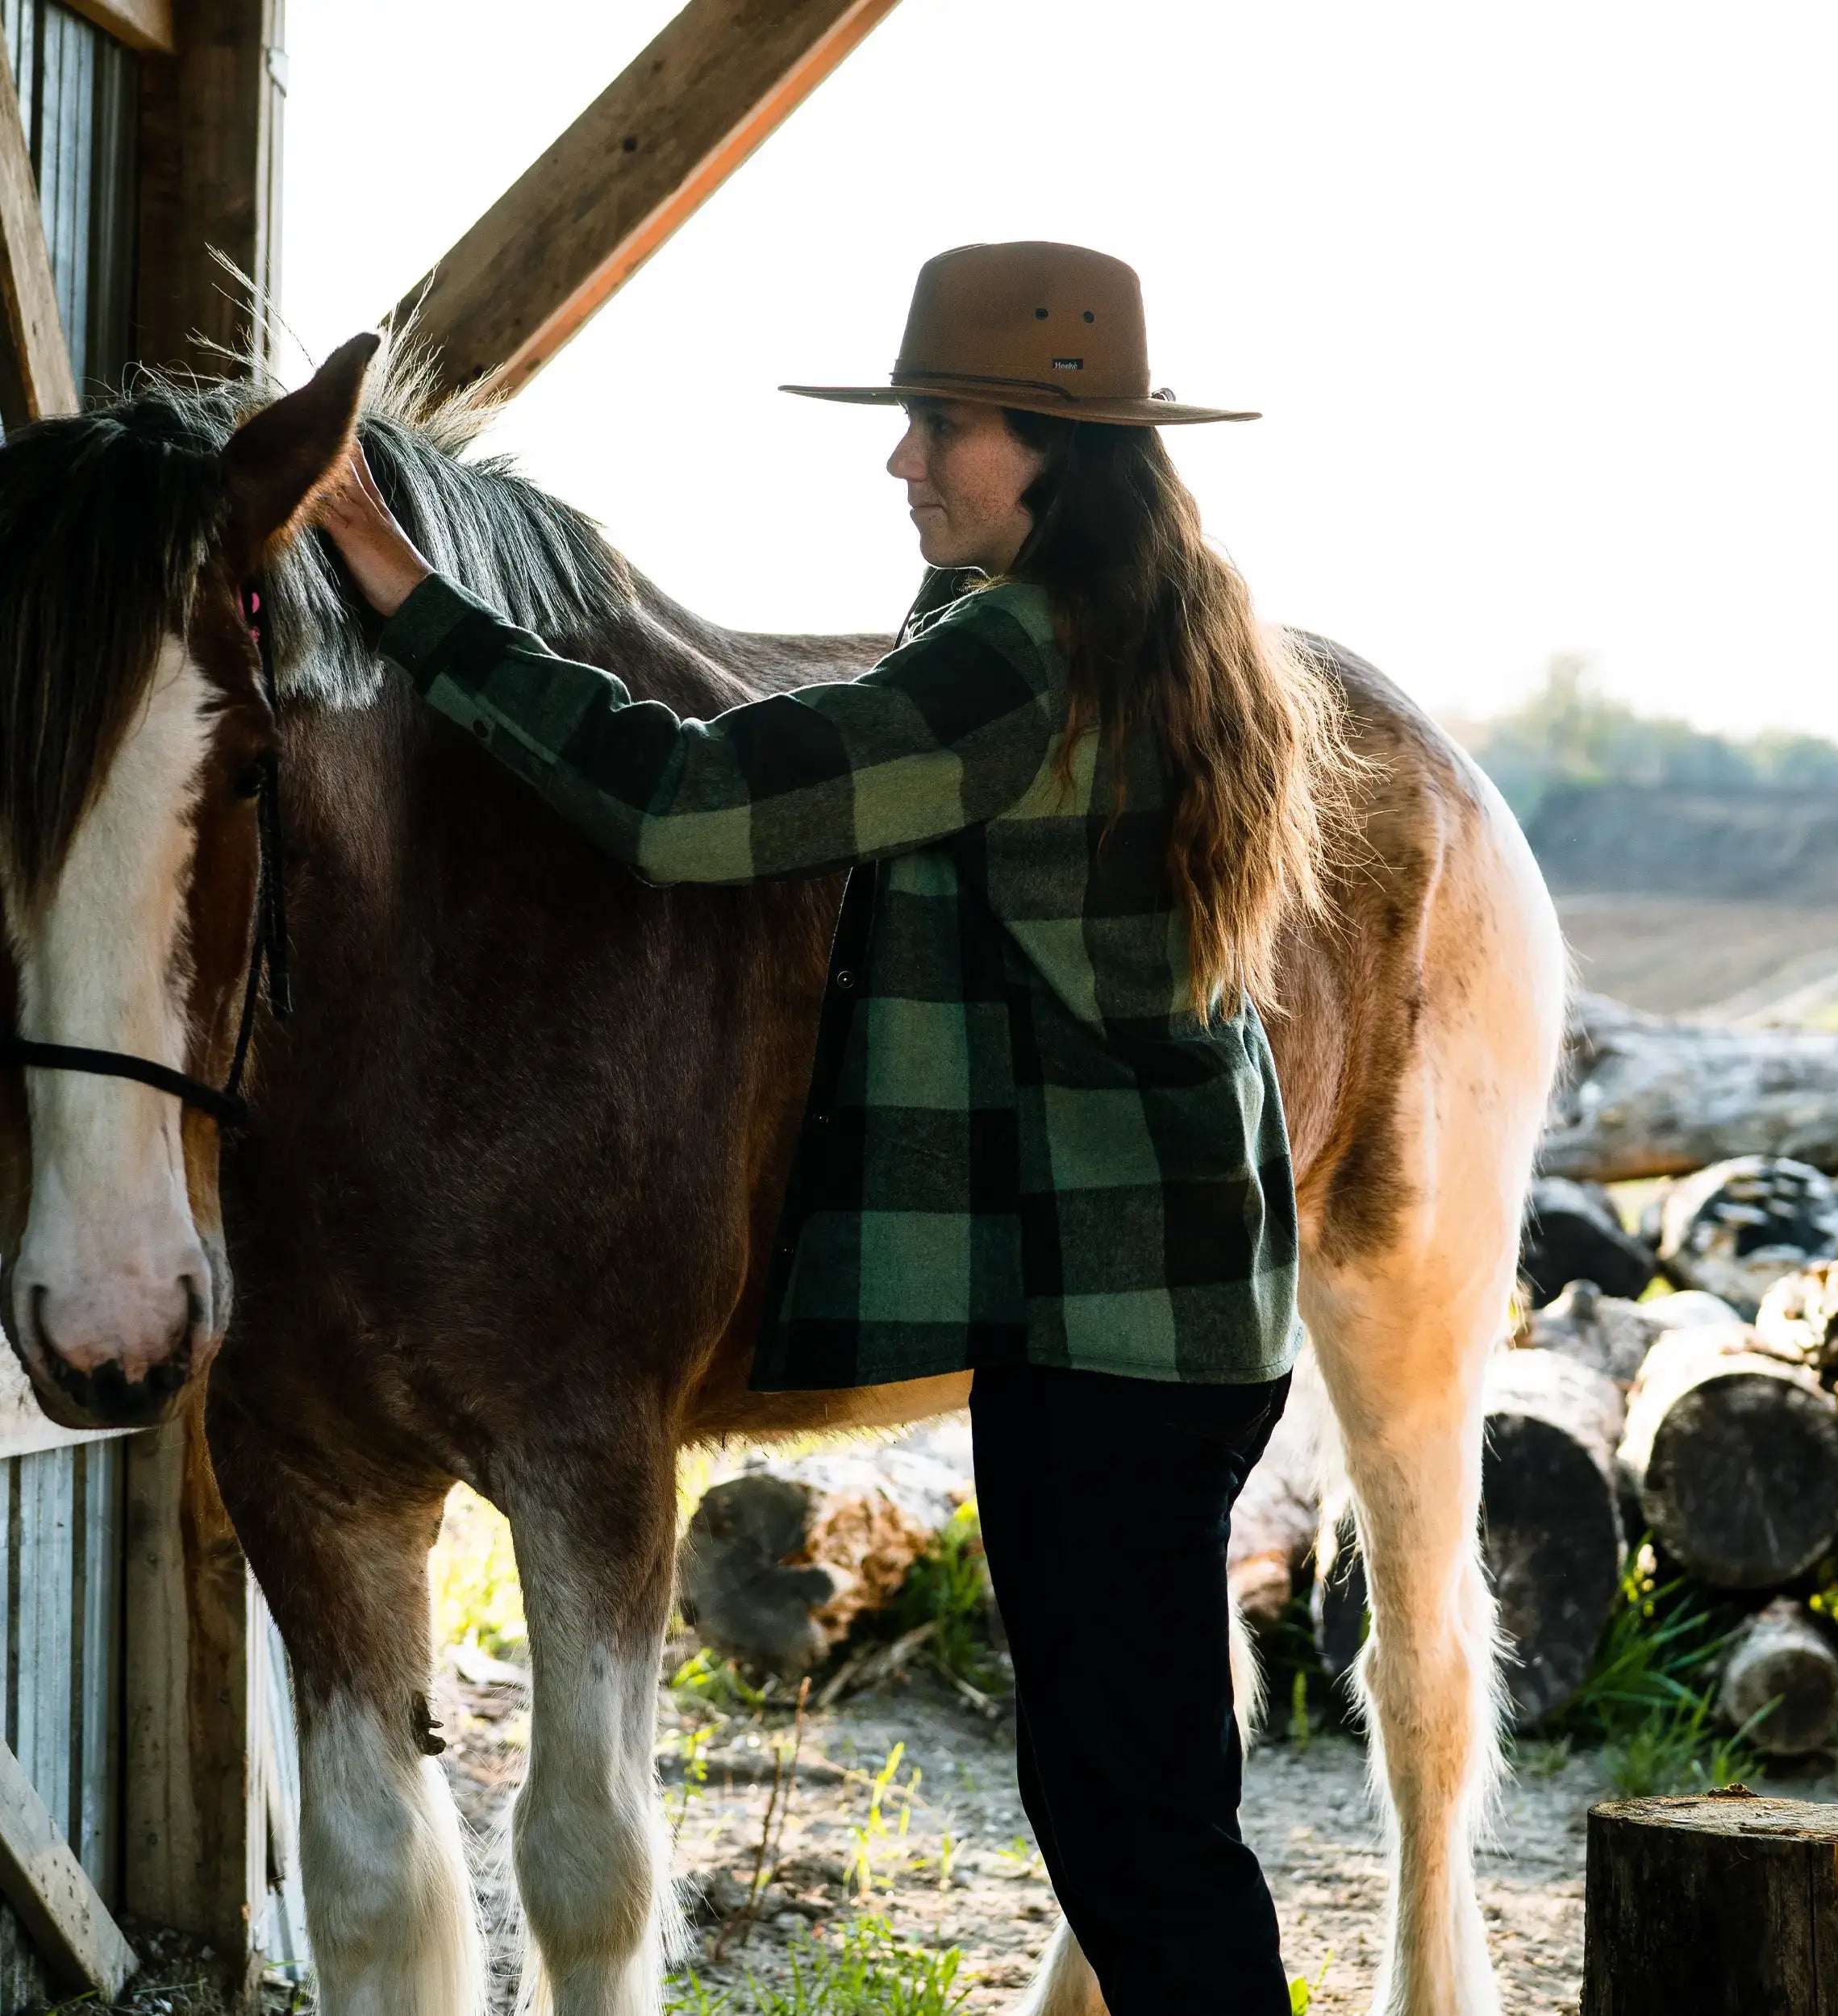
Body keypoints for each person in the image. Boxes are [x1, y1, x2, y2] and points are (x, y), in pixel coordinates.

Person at [320, 240, 1347, 2014]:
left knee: (1137, 1825)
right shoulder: (1146, 614)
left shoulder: (1017, 656)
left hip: (1109, 1331)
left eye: (941, 426)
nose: (903, 461)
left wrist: (415, 605)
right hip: (1169, 1313)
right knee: (1131, 1802)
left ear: (1055, 447)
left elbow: (691, 796)